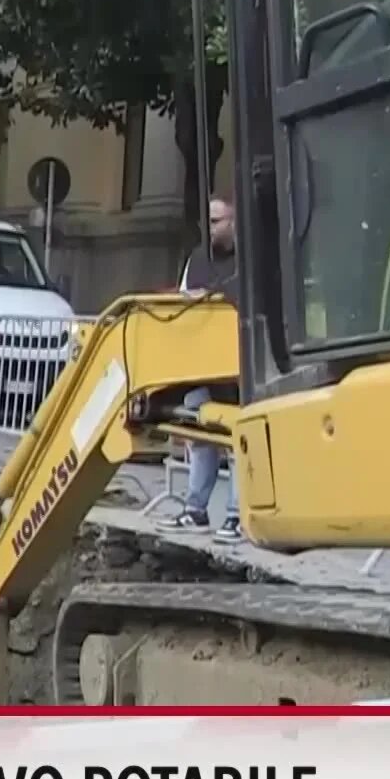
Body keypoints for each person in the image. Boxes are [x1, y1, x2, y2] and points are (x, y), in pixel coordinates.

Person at [160, 195, 242, 542]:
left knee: (240, 437)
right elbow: (182, 300)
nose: (209, 230)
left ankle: (238, 515)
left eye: (217, 222)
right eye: (206, 222)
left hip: (238, 365)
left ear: (234, 222)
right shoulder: (197, 258)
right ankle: (196, 509)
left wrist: (210, 298)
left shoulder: (250, 259)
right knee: (199, 432)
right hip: (202, 363)